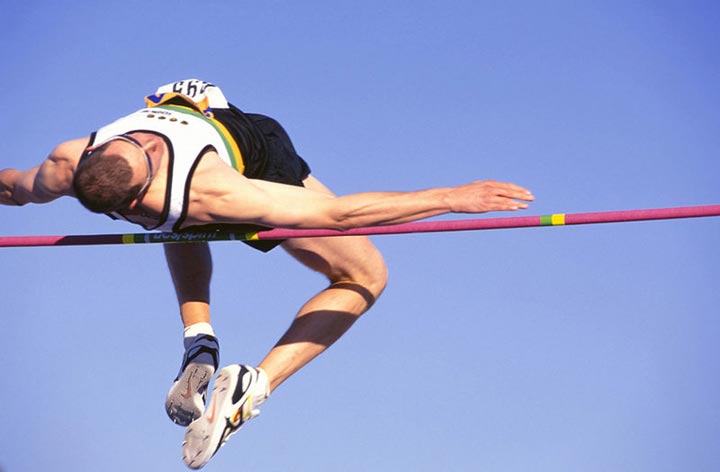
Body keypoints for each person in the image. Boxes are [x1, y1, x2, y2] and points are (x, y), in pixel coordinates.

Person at [0, 79, 534, 469]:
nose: (133, 216)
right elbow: (13, 187)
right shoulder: (67, 163)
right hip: (202, 149)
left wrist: (451, 197)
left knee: (363, 274)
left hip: (257, 159)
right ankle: (211, 351)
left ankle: (245, 383)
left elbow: (337, 215)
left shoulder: (215, 190)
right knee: (179, 223)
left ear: (141, 187)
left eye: (135, 208)